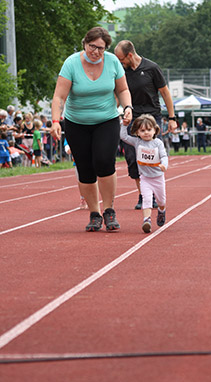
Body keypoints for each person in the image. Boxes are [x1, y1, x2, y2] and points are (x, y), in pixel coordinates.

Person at [50, 27, 132, 232]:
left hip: (106, 120)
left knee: (104, 161)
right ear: (84, 43)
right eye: (92, 46)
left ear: (106, 49)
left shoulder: (113, 62)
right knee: (85, 169)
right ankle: (94, 213)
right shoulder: (71, 63)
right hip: (77, 123)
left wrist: (127, 107)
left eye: (100, 48)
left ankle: (109, 210)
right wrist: (55, 121)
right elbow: (59, 96)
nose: (95, 51)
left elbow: (122, 89)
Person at [114, 40, 176, 210]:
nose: (120, 63)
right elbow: (117, 94)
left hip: (151, 116)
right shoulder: (122, 72)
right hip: (132, 117)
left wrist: (172, 118)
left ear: (129, 55)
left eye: (121, 59)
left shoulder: (151, 68)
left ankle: (153, 193)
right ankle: (143, 194)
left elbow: (165, 93)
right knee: (133, 157)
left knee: (150, 154)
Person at [120, 114, 168, 233]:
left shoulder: (158, 143)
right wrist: (124, 125)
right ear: (137, 132)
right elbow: (124, 137)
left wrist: (164, 165)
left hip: (158, 178)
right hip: (145, 178)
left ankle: (162, 211)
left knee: (161, 201)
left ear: (155, 130)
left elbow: (164, 156)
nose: (146, 133)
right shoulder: (137, 142)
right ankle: (147, 220)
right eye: (142, 130)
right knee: (146, 199)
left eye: (149, 130)